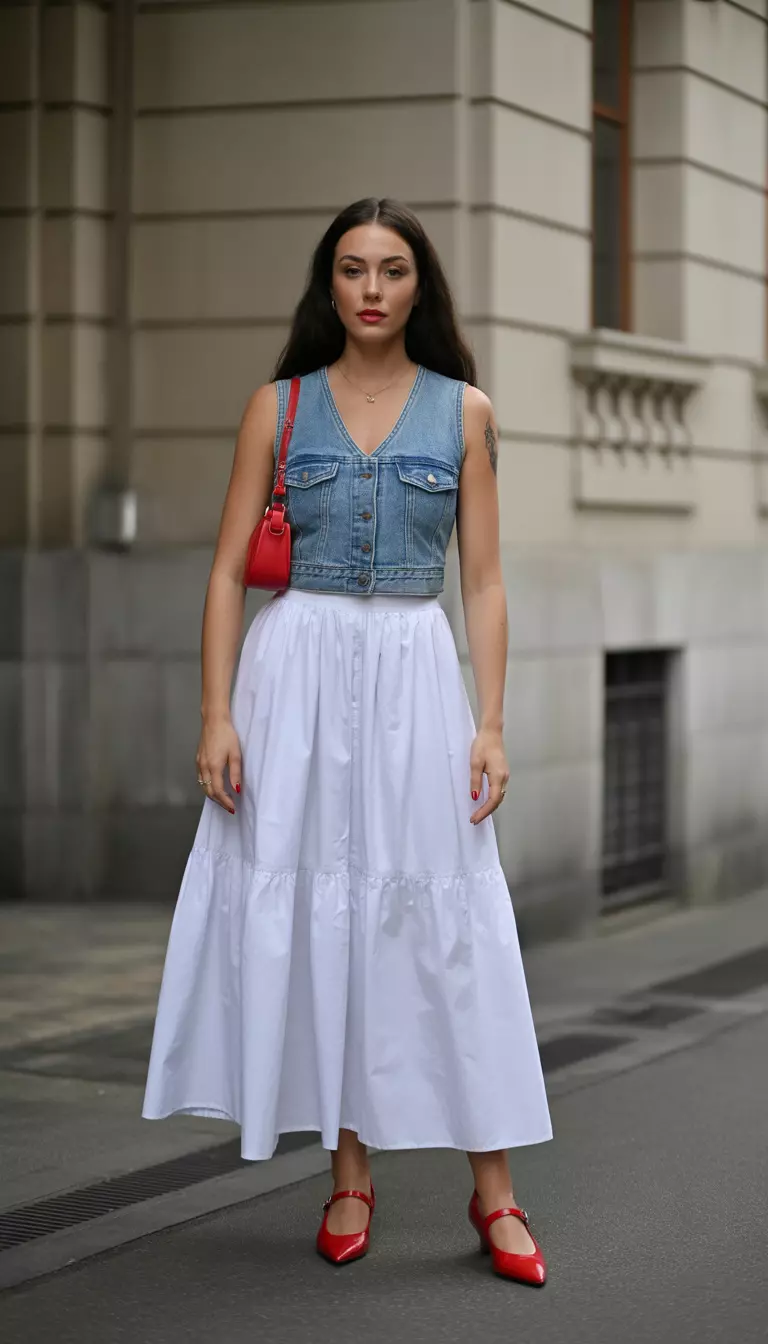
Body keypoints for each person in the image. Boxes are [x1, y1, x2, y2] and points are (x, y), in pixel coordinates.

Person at [142, 198, 552, 1286]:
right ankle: (349, 1173)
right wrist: (217, 713)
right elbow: (227, 570)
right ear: (328, 286)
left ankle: (494, 1191)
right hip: (297, 683)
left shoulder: (465, 412)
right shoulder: (274, 411)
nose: (373, 288)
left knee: (445, 916)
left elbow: (485, 581)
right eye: (354, 268)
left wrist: (495, 724)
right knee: (327, 915)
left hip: (419, 676)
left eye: (395, 269)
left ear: (423, 287)